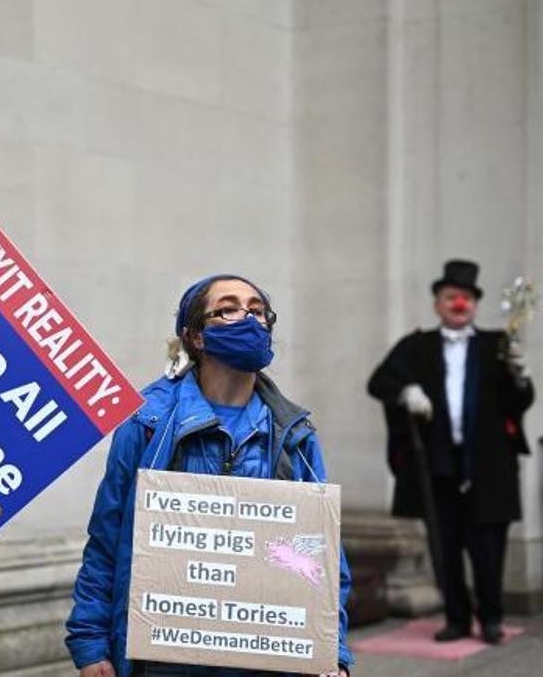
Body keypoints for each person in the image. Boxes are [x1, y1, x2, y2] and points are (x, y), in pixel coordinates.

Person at [66, 275, 353, 676]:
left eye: (257, 310)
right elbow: (107, 539)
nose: (249, 319)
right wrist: (90, 643)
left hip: (262, 659)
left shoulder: (293, 434)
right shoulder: (147, 422)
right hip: (165, 659)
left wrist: (331, 650)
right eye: (229, 309)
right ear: (196, 336)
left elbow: (323, 557)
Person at [367, 259, 533, 645]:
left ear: (474, 305)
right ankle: (456, 618)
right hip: (439, 469)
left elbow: (520, 402)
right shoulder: (417, 346)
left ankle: (491, 618)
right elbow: (379, 382)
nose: (459, 304)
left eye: (466, 298)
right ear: (437, 303)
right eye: (450, 297)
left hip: (488, 469)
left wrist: (521, 377)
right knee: (445, 549)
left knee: (489, 550)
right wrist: (407, 392)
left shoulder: (497, 346)